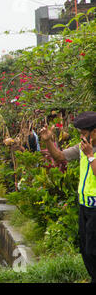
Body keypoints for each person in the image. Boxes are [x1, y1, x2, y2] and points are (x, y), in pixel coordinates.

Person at [39, 111, 96, 283]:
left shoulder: (87, 151)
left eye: (83, 133)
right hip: (84, 206)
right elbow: (60, 156)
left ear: (94, 132)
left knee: (94, 250)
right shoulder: (82, 147)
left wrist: (90, 156)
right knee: (86, 249)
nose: (81, 137)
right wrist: (48, 140)